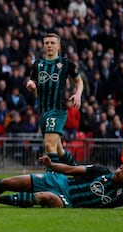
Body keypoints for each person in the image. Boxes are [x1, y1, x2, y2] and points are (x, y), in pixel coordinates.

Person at [0, 156, 123, 209]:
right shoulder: (101, 170)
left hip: (67, 201)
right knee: (9, 181)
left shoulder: (122, 197)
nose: (118, 171)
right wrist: (52, 165)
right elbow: (70, 170)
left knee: (44, 197)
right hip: (60, 181)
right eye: (120, 167)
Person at [25, 33, 84, 171]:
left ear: (59, 46)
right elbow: (32, 80)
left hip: (57, 110)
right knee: (59, 151)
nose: (49, 45)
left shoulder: (66, 64)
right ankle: (79, 173)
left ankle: (52, 180)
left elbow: (79, 81)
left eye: (52, 43)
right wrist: (30, 84)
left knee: (49, 146)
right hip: (43, 111)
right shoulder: (37, 64)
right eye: (47, 43)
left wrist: (78, 94)